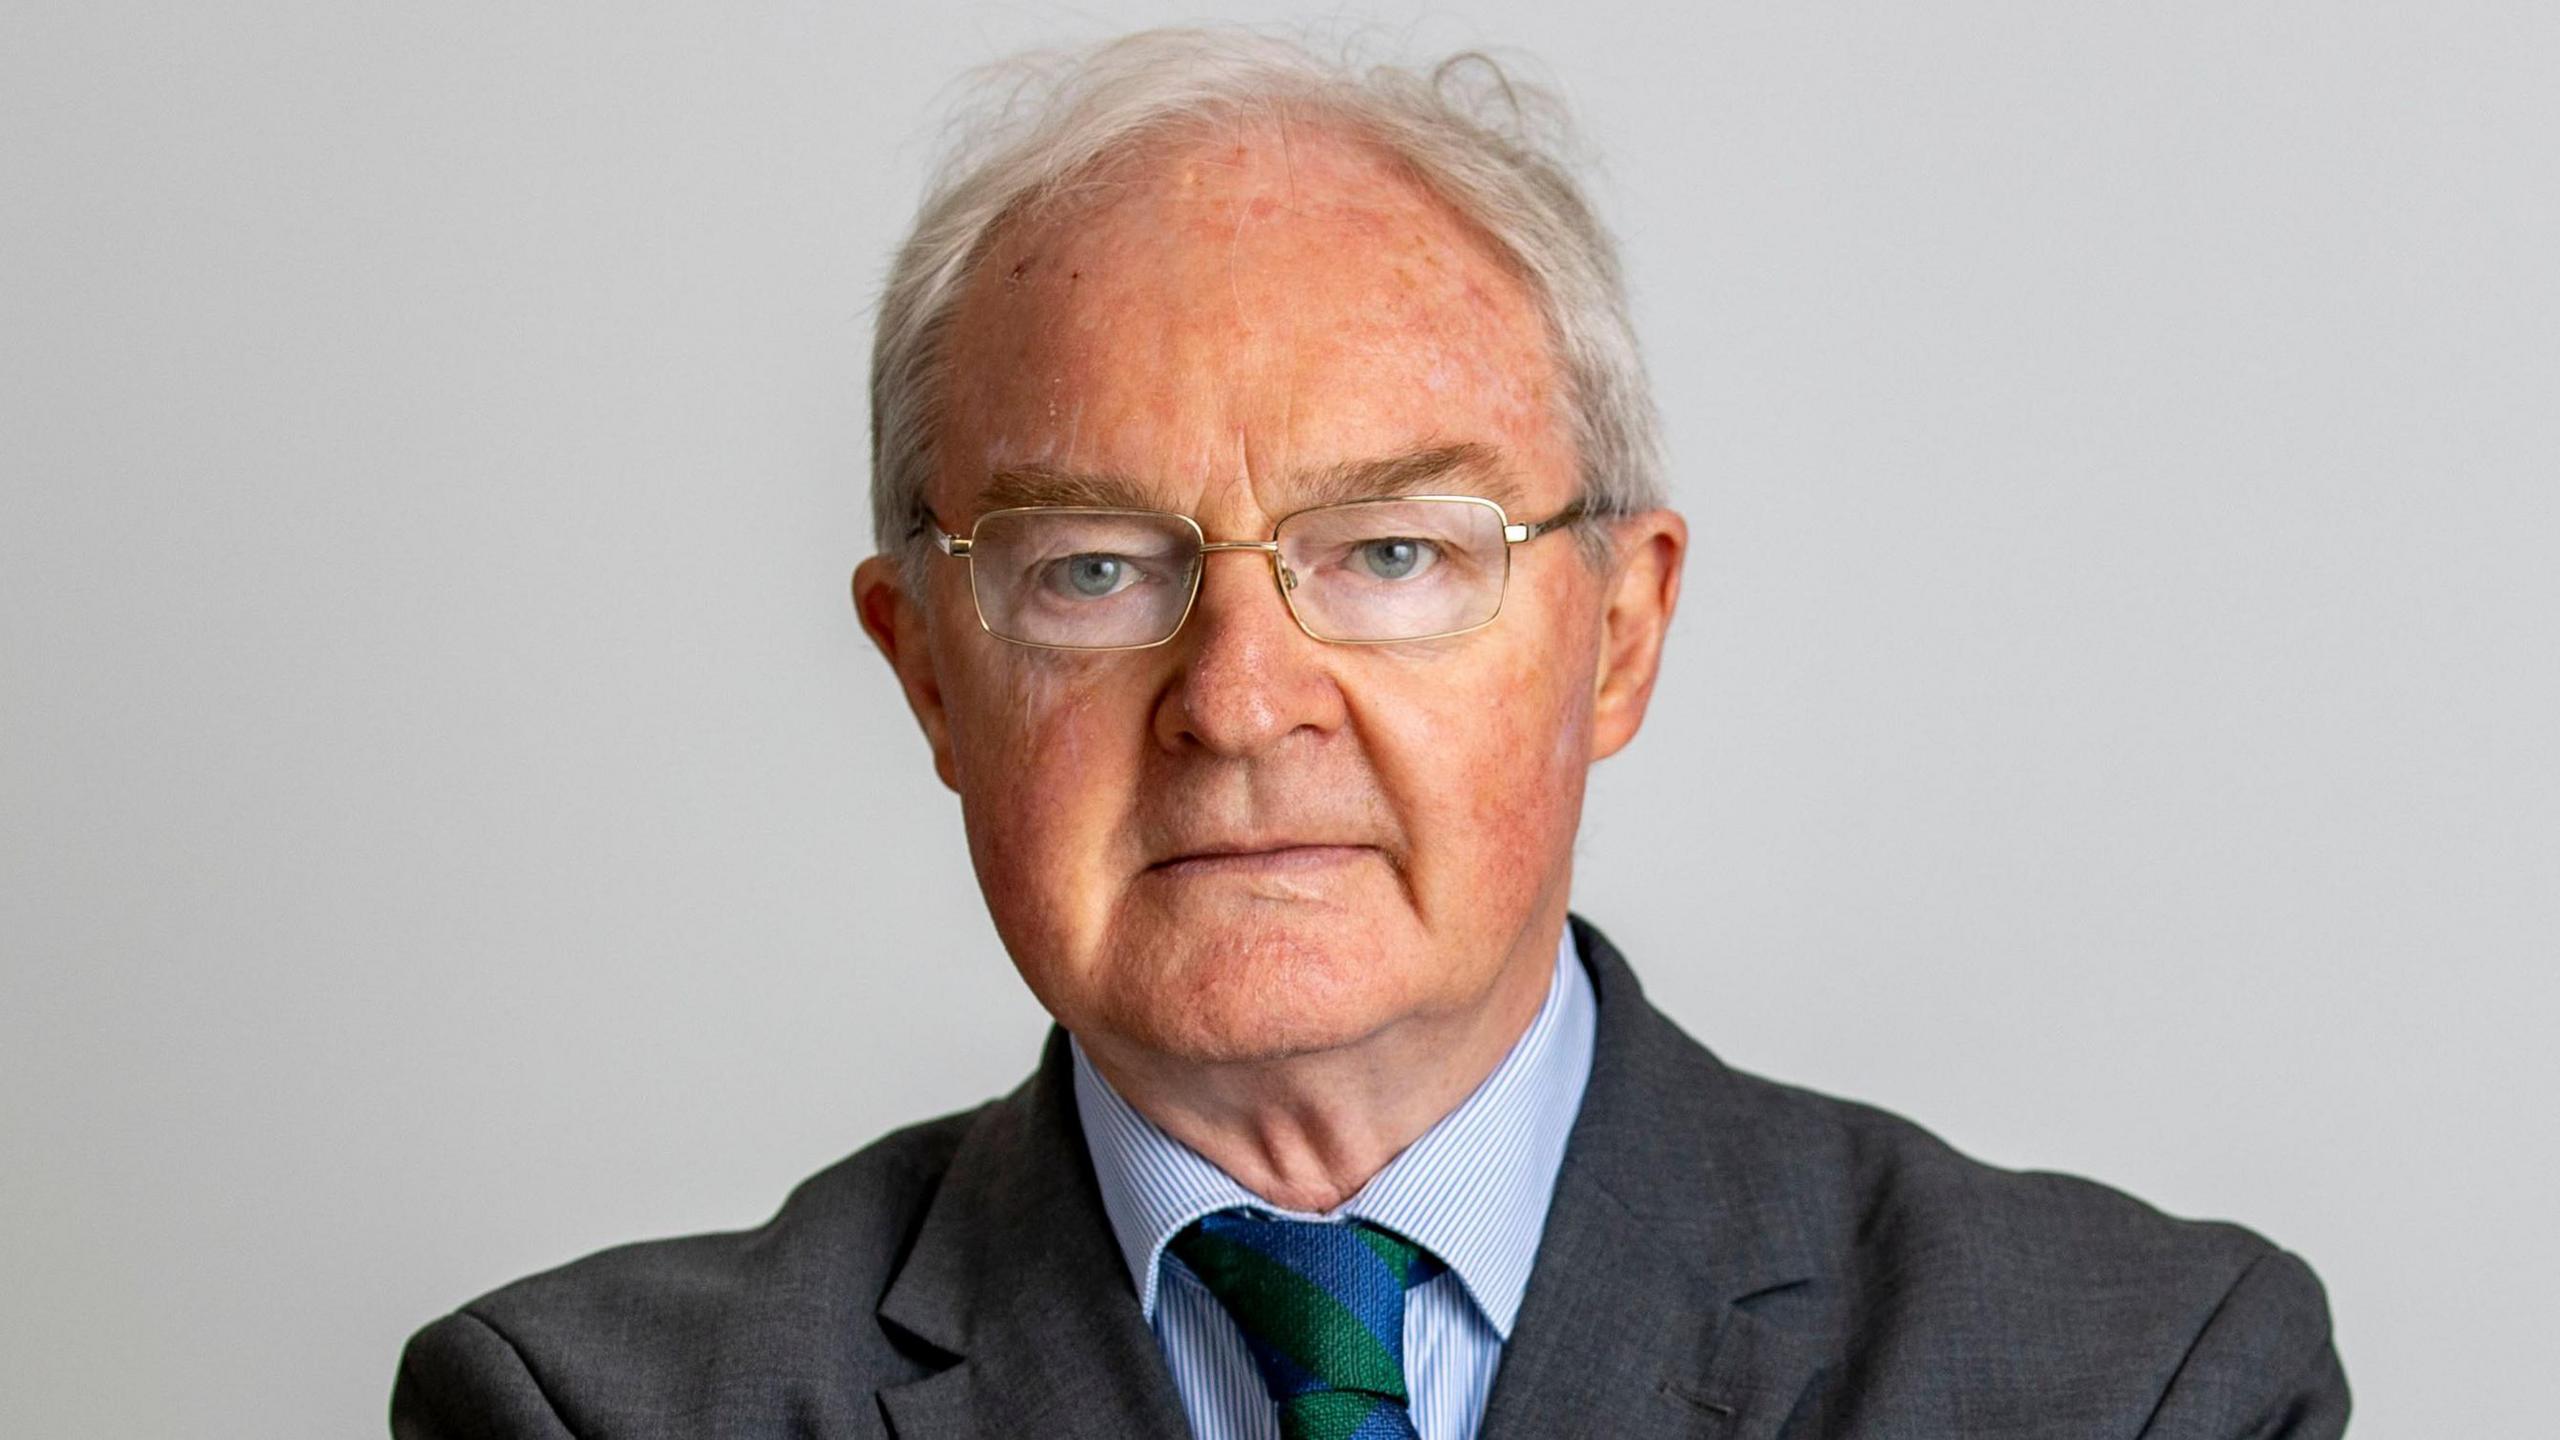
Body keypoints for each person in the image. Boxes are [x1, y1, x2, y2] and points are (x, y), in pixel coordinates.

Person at [392, 28, 2348, 1439]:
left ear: (1617, 631)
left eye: (1391, 551)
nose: (1237, 705)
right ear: (924, 670)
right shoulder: (600, 1411)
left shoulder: (2128, 1382)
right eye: (1089, 570)